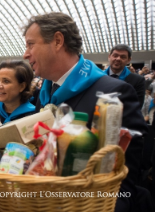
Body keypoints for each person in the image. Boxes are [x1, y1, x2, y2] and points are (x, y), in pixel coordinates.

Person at [23, 12, 149, 212]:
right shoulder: (45, 92)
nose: (25, 53)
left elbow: (123, 180)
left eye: (30, 44)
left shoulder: (114, 93)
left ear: (57, 41)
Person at [105, 44, 145, 109]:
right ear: (109, 56)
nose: (118, 59)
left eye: (123, 57)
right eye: (115, 55)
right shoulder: (98, 77)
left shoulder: (138, 80)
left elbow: (137, 107)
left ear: (129, 60)